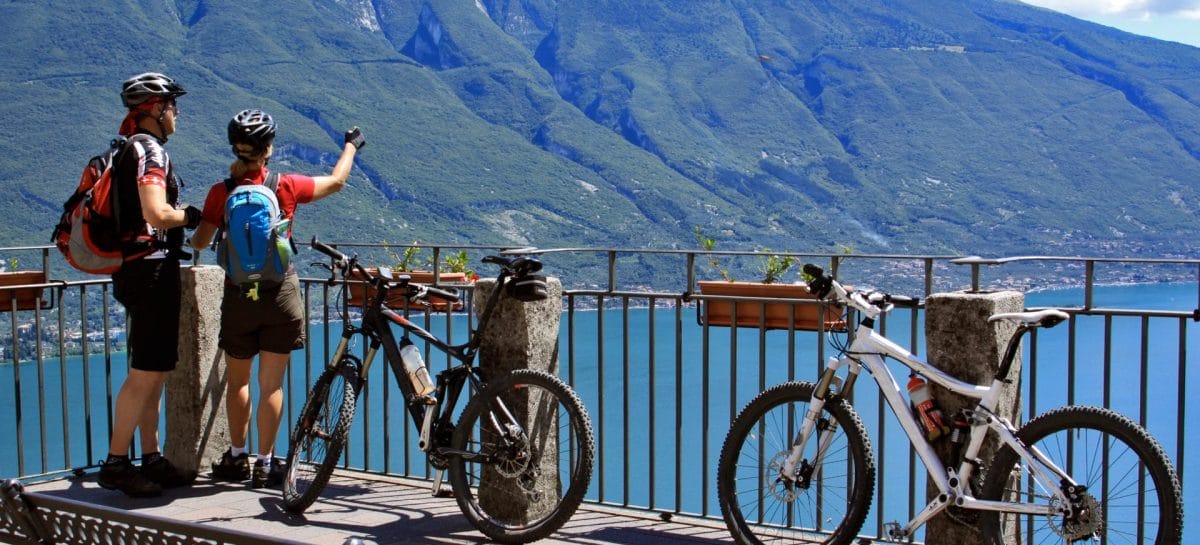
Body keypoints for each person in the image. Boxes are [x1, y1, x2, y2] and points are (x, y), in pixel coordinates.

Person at [191, 109, 365, 488]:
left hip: (238, 296)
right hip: (280, 293)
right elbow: (336, 182)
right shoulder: (284, 185)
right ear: (268, 148)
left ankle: (237, 457)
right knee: (271, 384)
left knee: (239, 381)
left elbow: (201, 242)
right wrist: (350, 146)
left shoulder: (221, 193)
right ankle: (267, 463)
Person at [96, 72, 203, 497]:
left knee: (155, 368)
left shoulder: (129, 149)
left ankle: (151, 456)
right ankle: (117, 463)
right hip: (151, 268)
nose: (177, 112)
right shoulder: (150, 151)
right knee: (144, 373)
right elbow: (157, 213)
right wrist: (189, 215)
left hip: (136, 268)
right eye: (173, 105)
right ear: (157, 110)